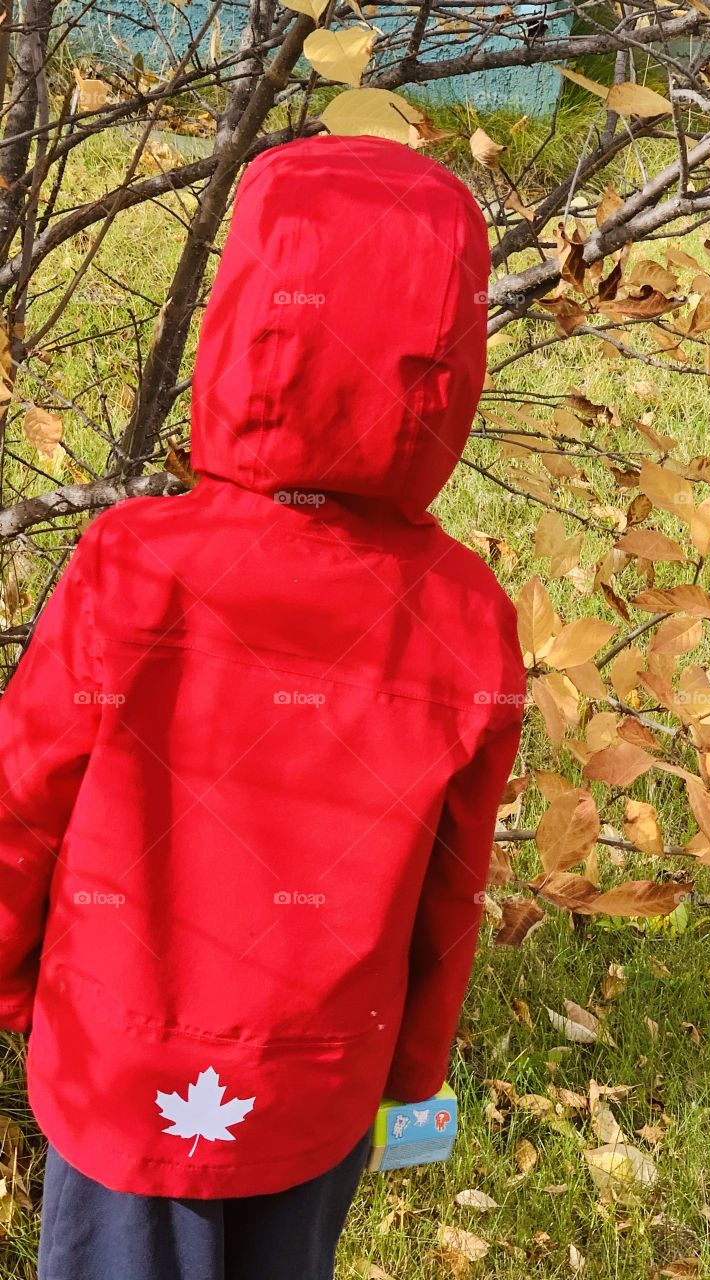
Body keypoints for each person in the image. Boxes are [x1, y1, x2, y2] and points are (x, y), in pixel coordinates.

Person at [0, 133, 526, 1279]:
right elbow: (454, 883)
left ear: (246, 321)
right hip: (317, 1076)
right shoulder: (465, 613)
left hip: (116, 1063)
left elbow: (24, 797)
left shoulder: (135, 562)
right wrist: (414, 1066)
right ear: (448, 359)